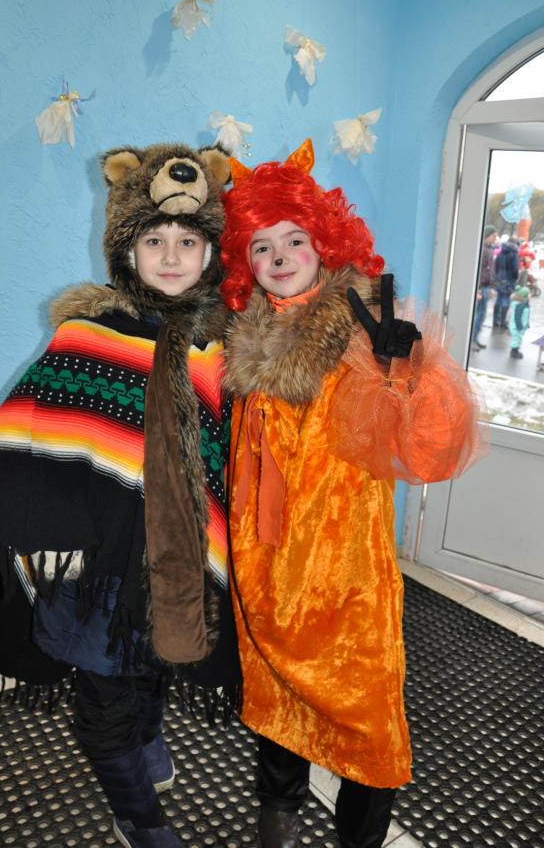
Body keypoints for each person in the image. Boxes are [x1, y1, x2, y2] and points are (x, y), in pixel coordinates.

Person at [0, 142, 241, 848]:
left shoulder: (218, 345)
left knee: (160, 661)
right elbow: (31, 436)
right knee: (106, 691)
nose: (171, 256)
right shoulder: (90, 336)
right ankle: (137, 815)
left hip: (176, 560)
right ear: (126, 249)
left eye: (188, 241)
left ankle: (147, 735)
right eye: (154, 240)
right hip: (97, 568)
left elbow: (240, 448)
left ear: (209, 251)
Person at [219, 141, 481, 848]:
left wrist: (410, 372)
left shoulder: (365, 331)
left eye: (294, 239)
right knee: (275, 687)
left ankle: (361, 835)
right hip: (267, 561)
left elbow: (430, 452)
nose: (279, 256)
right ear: (245, 262)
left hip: (345, 573)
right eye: (261, 245)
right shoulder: (245, 337)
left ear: (324, 241)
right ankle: (279, 811)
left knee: (365, 711)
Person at [471, 224, 498, 351]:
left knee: (481, 315)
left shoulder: (489, 249)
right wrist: (477, 290)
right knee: (477, 315)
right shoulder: (482, 250)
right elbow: (478, 271)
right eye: (494, 235)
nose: (495, 238)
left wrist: (492, 287)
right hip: (481, 288)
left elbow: (490, 271)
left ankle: (475, 338)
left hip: (486, 288)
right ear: (487, 235)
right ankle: (471, 340)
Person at [493, 236, 519, 330]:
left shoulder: (500, 252)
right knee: (506, 299)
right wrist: (515, 278)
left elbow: (495, 265)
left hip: (500, 278)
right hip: (509, 279)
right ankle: (503, 321)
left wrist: (498, 276)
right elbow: (515, 269)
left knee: (498, 299)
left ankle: (495, 321)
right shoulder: (514, 254)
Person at [508, 285, 530, 359]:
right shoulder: (520, 306)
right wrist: (519, 327)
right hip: (517, 327)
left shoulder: (522, 304)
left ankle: (516, 350)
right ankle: (514, 352)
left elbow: (525, 316)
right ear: (524, 296)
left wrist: (526, 324)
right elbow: (517, 317)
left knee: (518, 338)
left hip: (519, 326)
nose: (530, 295)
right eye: (529, 294)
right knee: (517, 338)